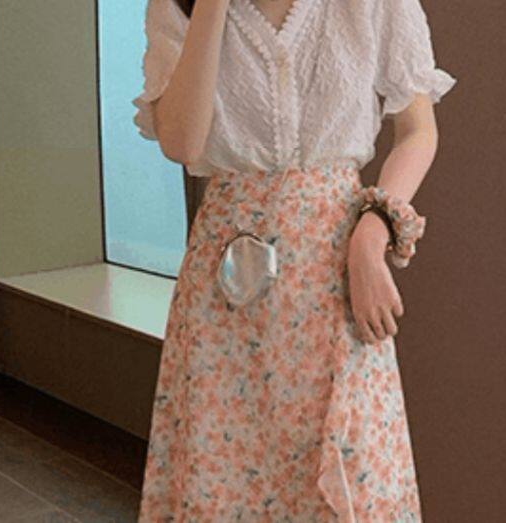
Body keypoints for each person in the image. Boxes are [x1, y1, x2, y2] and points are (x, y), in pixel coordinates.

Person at [132, 0, 453, 519]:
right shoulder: (175, 7)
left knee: (353, 475)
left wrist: (371, 236)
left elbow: (419, 131)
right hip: (224, 295)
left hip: (336, 279)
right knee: (223, 482)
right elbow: (182, 142)